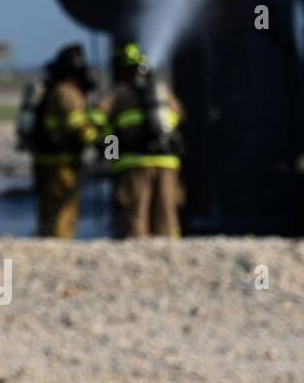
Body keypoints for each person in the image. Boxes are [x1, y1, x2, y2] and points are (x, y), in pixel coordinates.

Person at [94, 42, 186, 238]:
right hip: (167, 163)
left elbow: (96, 119)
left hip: (133, 165)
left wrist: (108, 151)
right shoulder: (162, 92)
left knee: (134, 219)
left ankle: (135, 257)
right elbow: (179, 116)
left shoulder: (117, 93)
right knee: (167, 217)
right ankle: (170, 257)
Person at [20, 43, 98, 239]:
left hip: (45, 158)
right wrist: (105, 143)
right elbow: (78, 125)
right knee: (64, 208)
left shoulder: (52, 88)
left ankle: (46, 238)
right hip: (62, 162)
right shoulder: (67, 92)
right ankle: (60, 241)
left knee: (47, 207)